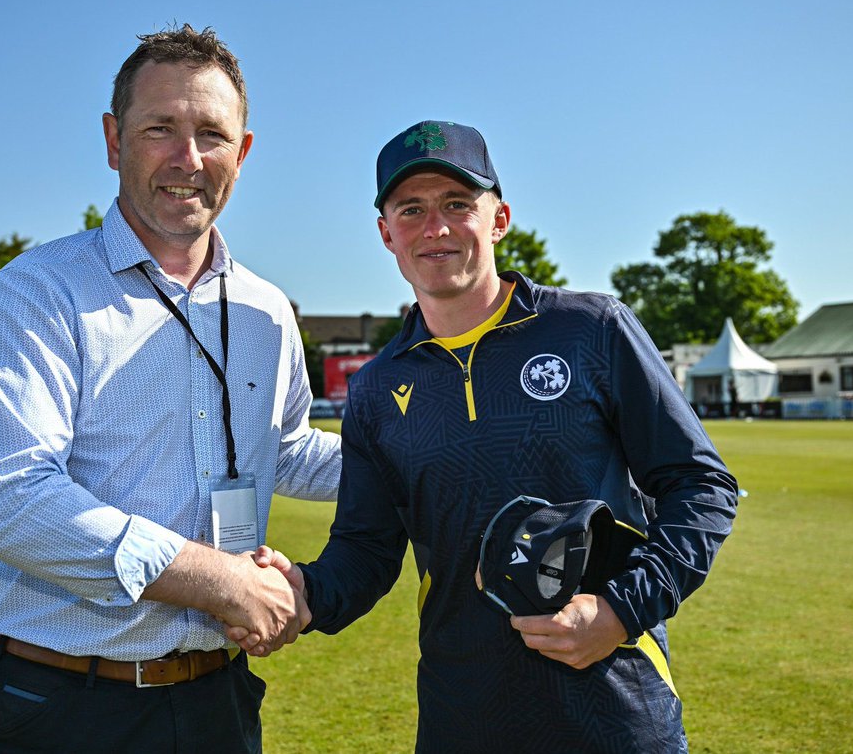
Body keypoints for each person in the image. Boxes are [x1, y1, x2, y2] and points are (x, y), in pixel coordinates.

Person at [236, 121, 739, 752]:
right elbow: (365, 550)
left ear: (498, 218)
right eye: (411, 209)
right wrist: (303, 592)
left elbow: (702, 485)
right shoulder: (375, 390)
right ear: (385, 233)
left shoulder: (591, 330)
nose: (435, 228)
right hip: (462, 715)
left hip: (615, 711)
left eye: (457, 205)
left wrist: (619, 612)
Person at [0, 25, 340, 753]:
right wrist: (216, 580)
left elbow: (285, 450)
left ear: (244, 152)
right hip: (60, 703)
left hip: (216, 701)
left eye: (211, 134)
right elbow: (11, 498)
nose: (187, 159)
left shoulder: (266, 310)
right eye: (160, 128)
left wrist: (435, 456)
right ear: (113, 139)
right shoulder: (37, 294)